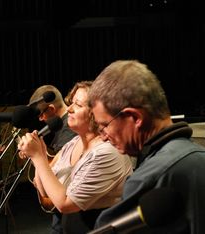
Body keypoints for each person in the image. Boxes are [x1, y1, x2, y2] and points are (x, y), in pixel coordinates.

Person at [88, 60, 205, 234]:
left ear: (135, 118)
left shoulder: (150, 178)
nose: (103, 136)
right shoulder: (199, 156)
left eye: (105, 125)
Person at [18, 81, 133, 234]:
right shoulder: (74, 142)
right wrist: (39, 155)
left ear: (97, 114)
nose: (69, 109)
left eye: (78, 105)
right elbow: (45, 191)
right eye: (71, 103)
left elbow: (64, 204)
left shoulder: (107, 152)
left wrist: (38, 157)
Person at [28, 84, 77, 233]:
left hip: (68, 202)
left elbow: (61, 168)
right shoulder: (61, 127)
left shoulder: (69, 129)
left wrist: (36, 156)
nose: (41, 119)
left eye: (41, 114)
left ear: (51, 109)